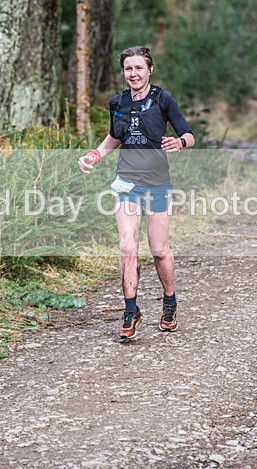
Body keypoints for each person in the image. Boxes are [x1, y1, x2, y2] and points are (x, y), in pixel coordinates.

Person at [78, 46, 195, 339]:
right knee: (127, 247)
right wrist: (94, 155)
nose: (133, 74)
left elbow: (189, 135)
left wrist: (179, 143)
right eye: (128, 69)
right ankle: (130, 310)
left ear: (150, 70)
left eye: (139, 68)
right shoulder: (117, 102)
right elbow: (113, 138)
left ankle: (169, 302)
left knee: (158, 250)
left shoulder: (163, 98)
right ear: (124, 72)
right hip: (127, 183)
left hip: (157, 183)